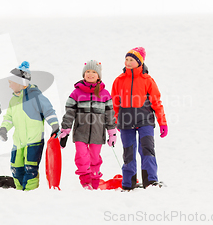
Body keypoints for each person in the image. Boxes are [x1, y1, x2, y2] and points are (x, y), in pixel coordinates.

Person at [111, 47, 168, 190]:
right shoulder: (119, 80)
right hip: (125, 121)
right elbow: (114, 103)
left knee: (147, 149)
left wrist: (163, 122)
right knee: (128, 151)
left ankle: (151, 181)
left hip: (145, 120)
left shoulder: (147, 80)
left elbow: (156, 102)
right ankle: (128, 183)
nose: (128, 62)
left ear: (139, 62)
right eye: (126, 59)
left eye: (132, 60)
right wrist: (116, 119)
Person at [0, 61, 60, 191]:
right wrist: (4, 128)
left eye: (11, 82)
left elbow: (48, 111)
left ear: (21, 82)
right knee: (16, 167)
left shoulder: (36, 96)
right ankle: (20, 190)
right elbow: (9, 117)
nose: (9, 86)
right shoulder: (13, 100)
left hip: (34, 140)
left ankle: (30, 193)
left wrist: (54, 125)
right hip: (18, 141)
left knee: (30, 168)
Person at [59, 60, 117, 190]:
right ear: (84, 74)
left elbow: (110, 115)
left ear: (99, 76)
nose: (90, 74)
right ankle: (85, 180)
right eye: (87, 72)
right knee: (81, 155)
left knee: (95, 157)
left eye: (93, 72)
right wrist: (65, 130)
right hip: (81, 131)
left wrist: (112, 132)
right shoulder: (76, 93)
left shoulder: (105, 94)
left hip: (98, 132)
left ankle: (95, 181)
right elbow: (69, 113)